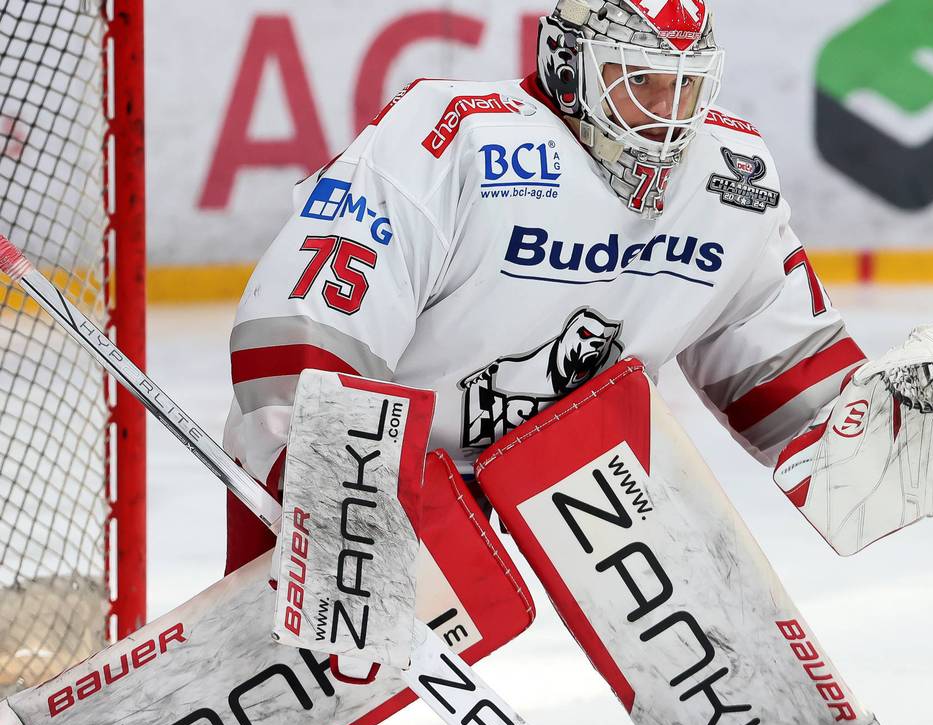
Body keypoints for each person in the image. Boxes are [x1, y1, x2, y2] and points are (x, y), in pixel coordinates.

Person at [224, 0, 865, 574]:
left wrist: (874, 427)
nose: (669, 115)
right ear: (569, 64)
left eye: (686, 84)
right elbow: (310, 319)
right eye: (640, 81)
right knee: (325, 660)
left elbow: (789, 376)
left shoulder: (730, 178)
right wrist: (322, 478)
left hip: (579, 472)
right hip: (382, 464)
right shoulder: (455, 135)